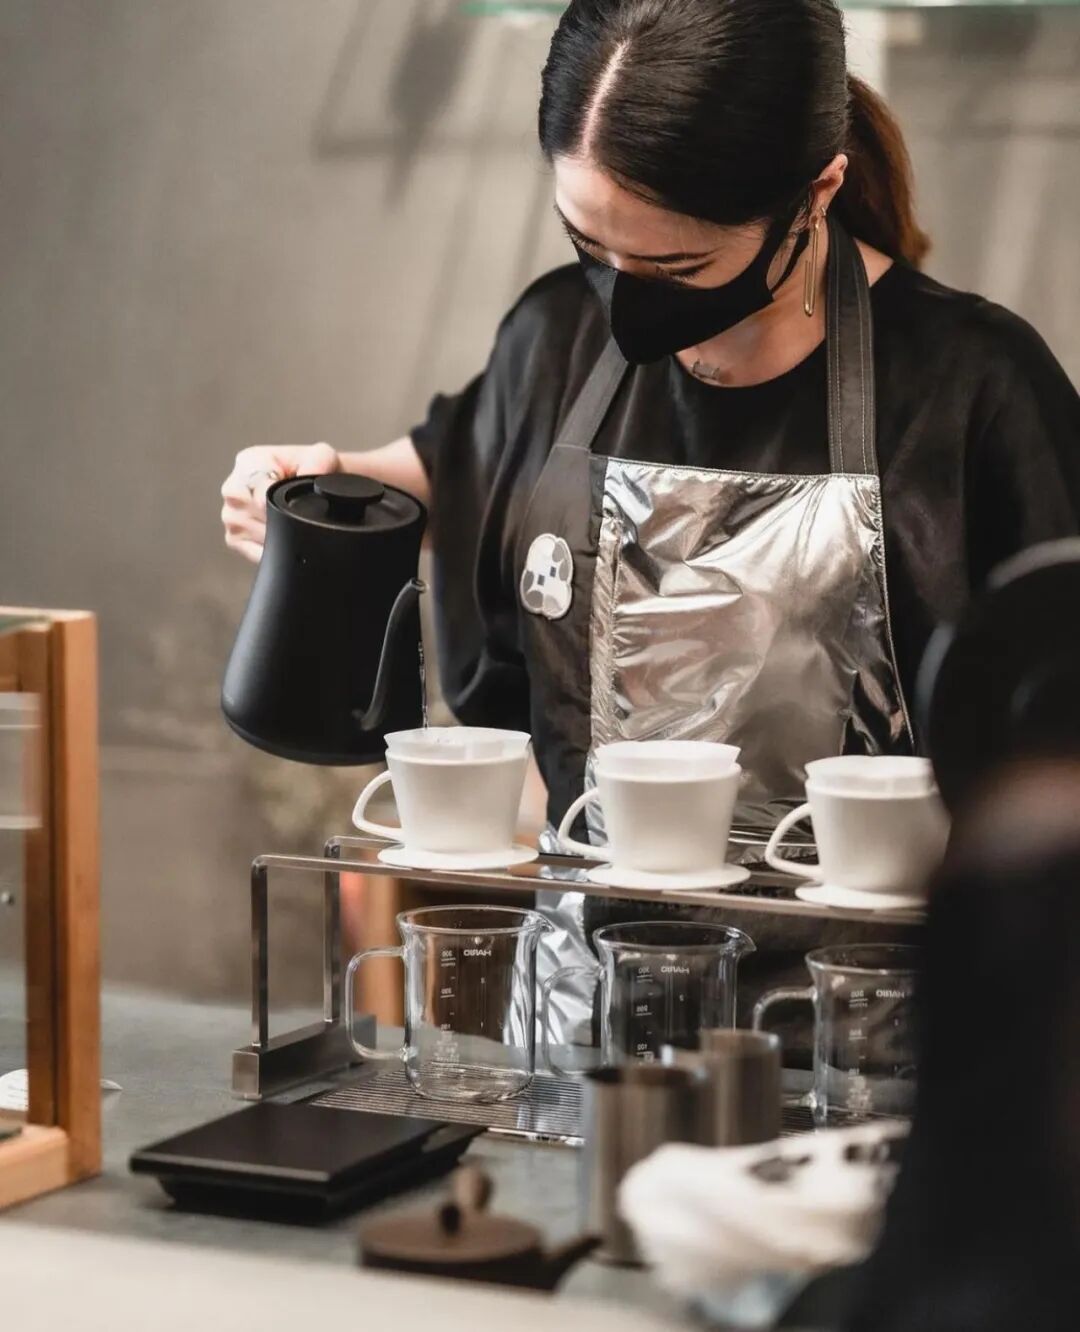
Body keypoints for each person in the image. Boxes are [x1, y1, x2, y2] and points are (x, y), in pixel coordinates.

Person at [221, 0, 1080, 1035]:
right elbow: (461, 470)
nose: (627, 310)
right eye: (590, 245)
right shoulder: (555, 337)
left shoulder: (973, 391)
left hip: (869, 1043)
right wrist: (323, 481)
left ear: (817, 193)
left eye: (677, 270)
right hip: (574, 1027)